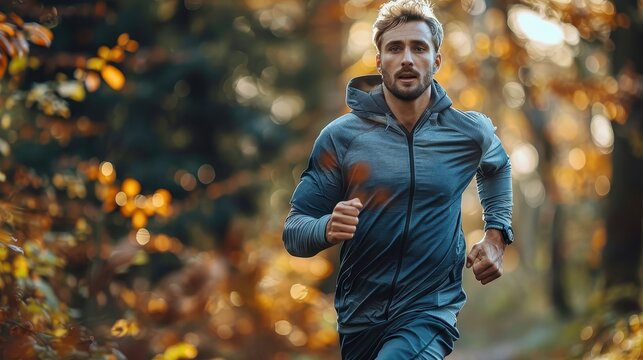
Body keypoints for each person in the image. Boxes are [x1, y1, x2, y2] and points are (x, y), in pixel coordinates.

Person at [282, 0, 514, 358]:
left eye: (419, 48)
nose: (407, 58)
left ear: (436, 61)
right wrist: (327, 227)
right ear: (379, 61)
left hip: (429, 309)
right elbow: (294, 231)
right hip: (358, 316)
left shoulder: (468, 132)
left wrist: (496, 235)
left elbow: (498, 167)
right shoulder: (341, 138)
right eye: (395, 48)